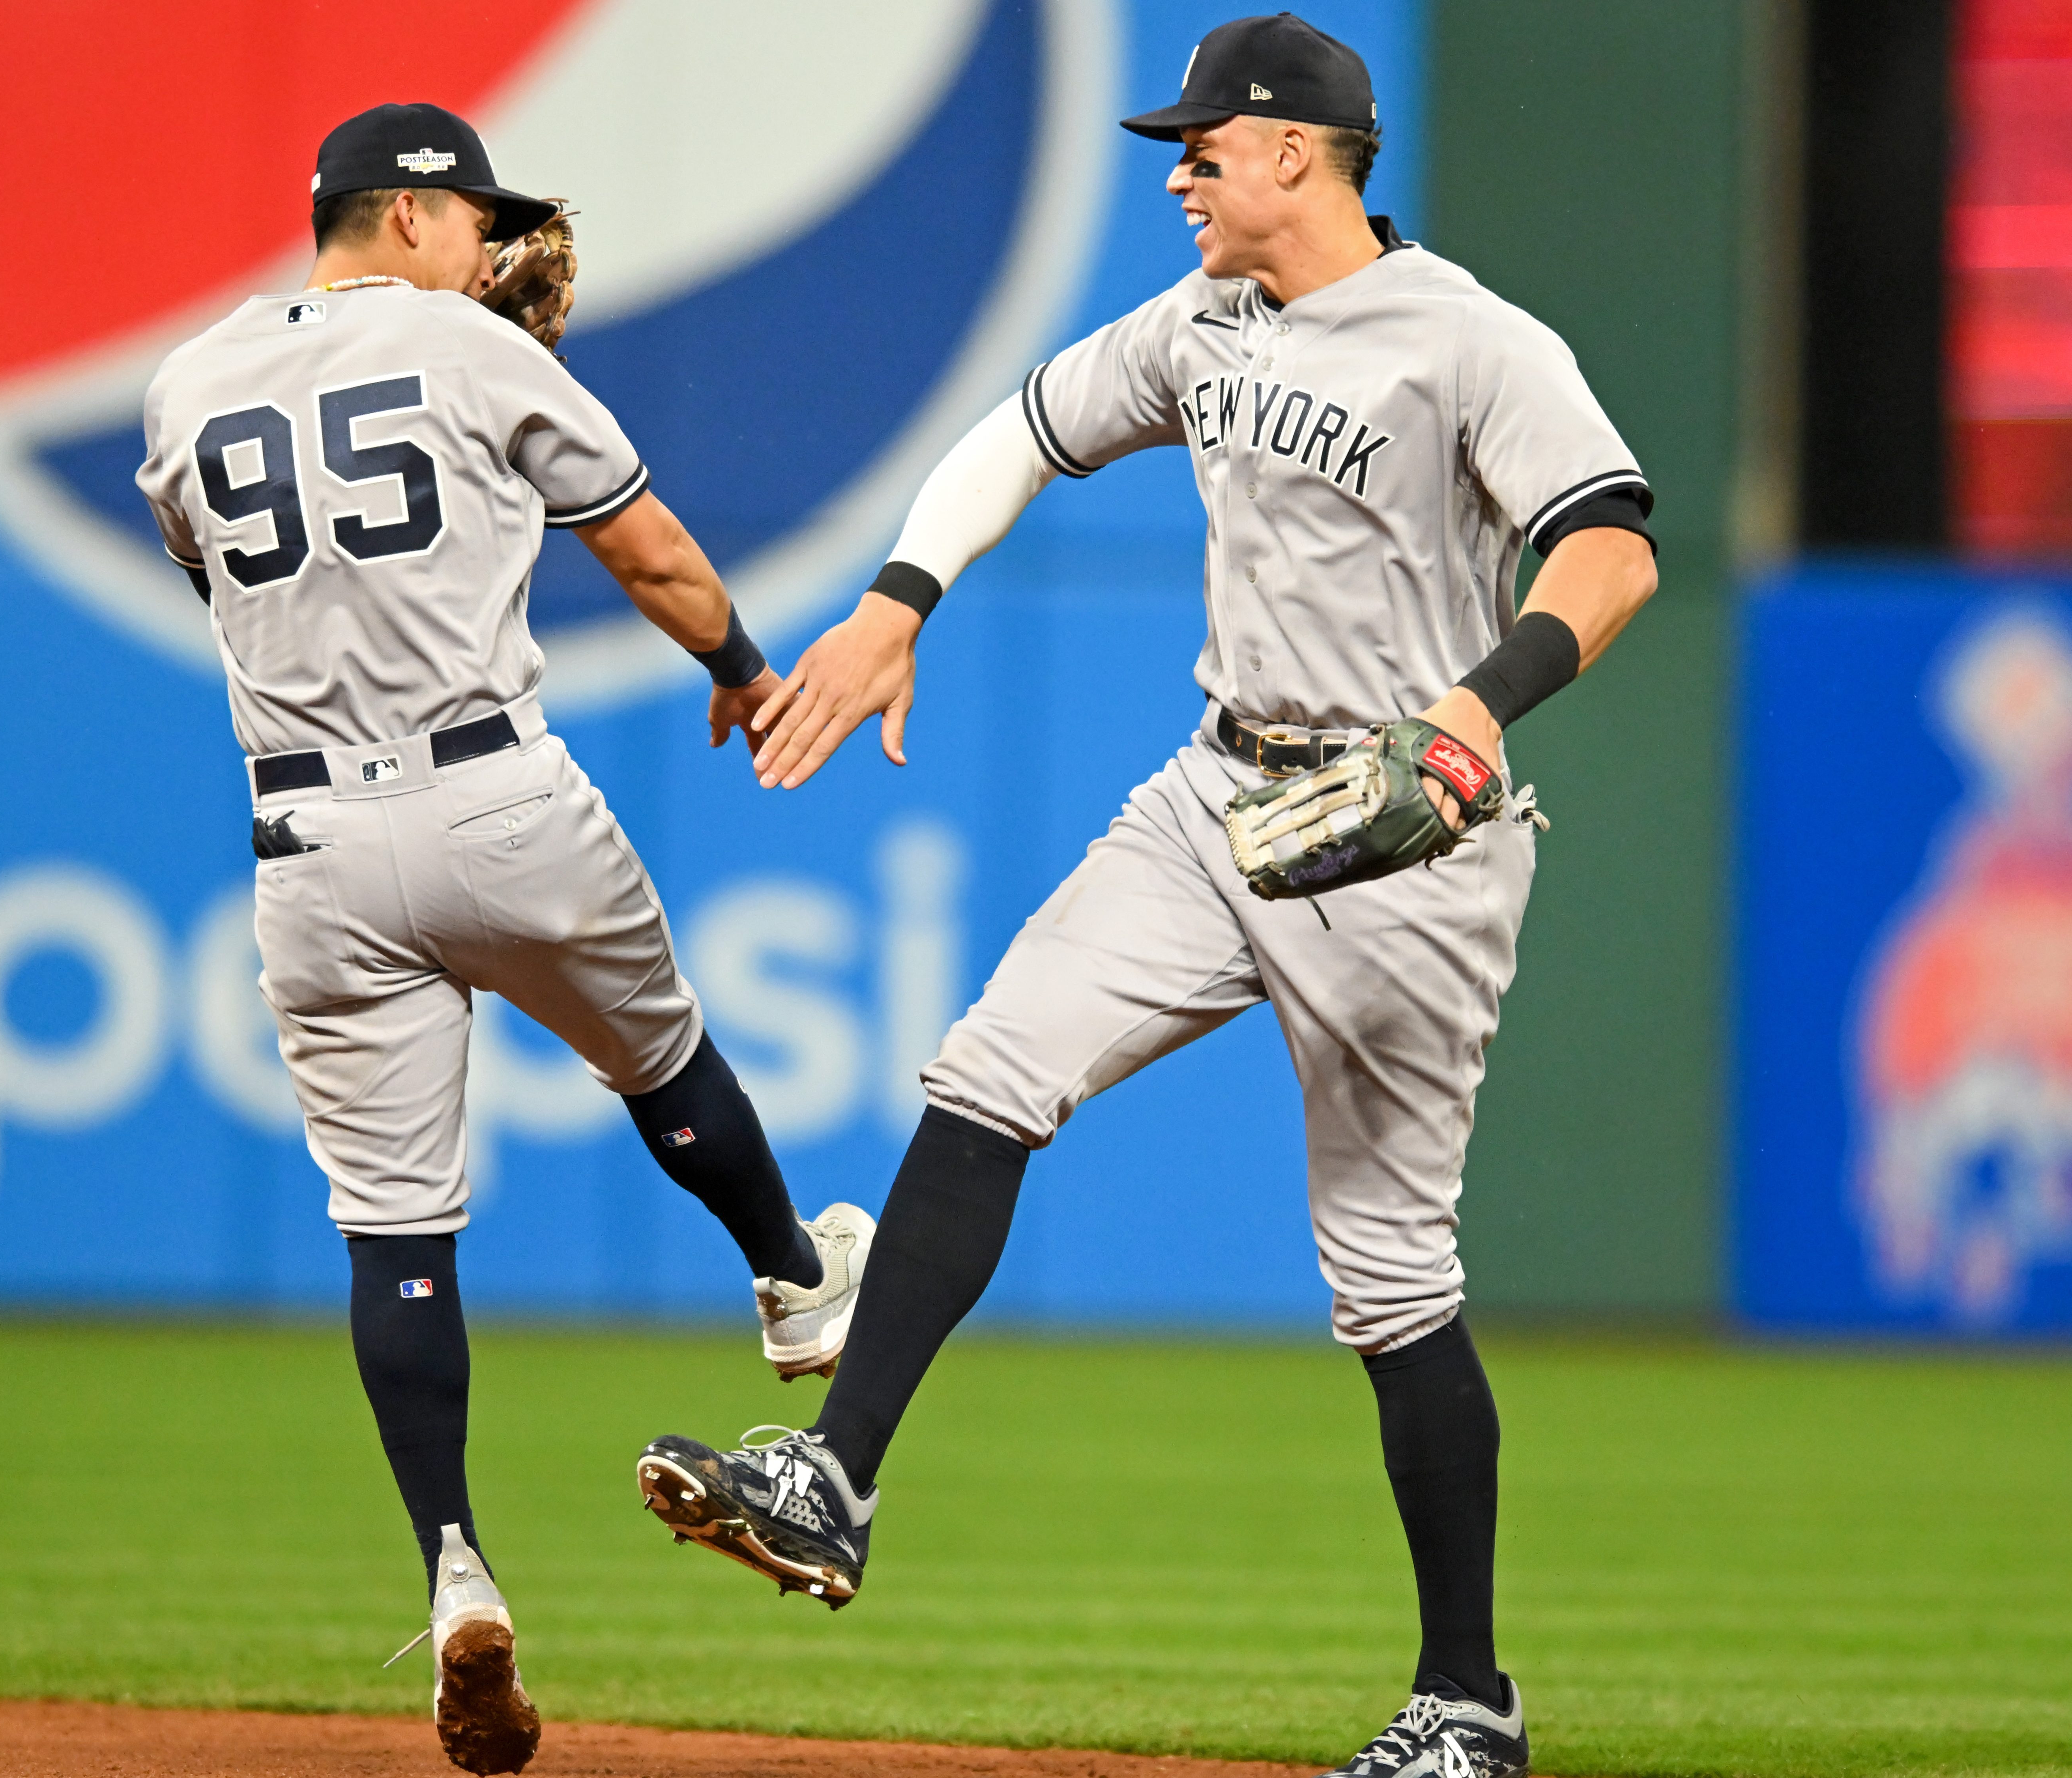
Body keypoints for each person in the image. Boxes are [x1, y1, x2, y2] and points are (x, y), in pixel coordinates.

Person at [632, 16, 1658, 1778]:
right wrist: (898, 598)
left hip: (1403, 834)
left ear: (1298, 152)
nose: (1176, 169)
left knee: (1392, 1277)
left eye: (1203, 142)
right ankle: (834, 1478)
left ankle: (1464, 1702)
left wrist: (1478, 706)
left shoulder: (1471, 341)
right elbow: (1016, 434)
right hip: (1220, 784)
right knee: (989, 1066)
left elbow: (1614, 544)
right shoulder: (1200, 326)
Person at [133, 101, 874, 1776]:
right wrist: (744, 670)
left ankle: (458, 1573)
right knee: (659, 1051)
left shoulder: (185, 384)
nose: (492, 249)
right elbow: (654, 552)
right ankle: (789, 1276)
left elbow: (221, 575)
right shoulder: (473, 353)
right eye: (473, 220)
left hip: (308, 836)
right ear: (402, 219)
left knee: (394, 1227)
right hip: (492, 793)